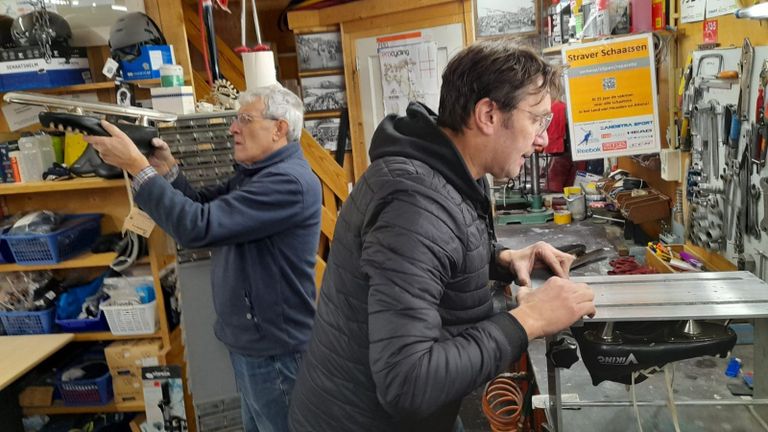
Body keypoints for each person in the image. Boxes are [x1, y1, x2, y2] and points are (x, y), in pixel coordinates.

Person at [288, 40, 596, 432]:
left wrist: (502, 260)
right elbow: (408, 382)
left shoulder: (445, 168)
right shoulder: (412, 205)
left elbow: (442, 251)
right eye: (537, 120)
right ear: (487, 114)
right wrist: (529, 319)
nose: (540, 139)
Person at [85, 84, 322, 432]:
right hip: (254, 343)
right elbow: (202, 208)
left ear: (279, 128)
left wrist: (139, 169)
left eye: (244, 119)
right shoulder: (258, 176)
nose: (233, 129)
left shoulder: (287, 183)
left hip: (274, 349)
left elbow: (198, 228)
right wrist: (167, 173)